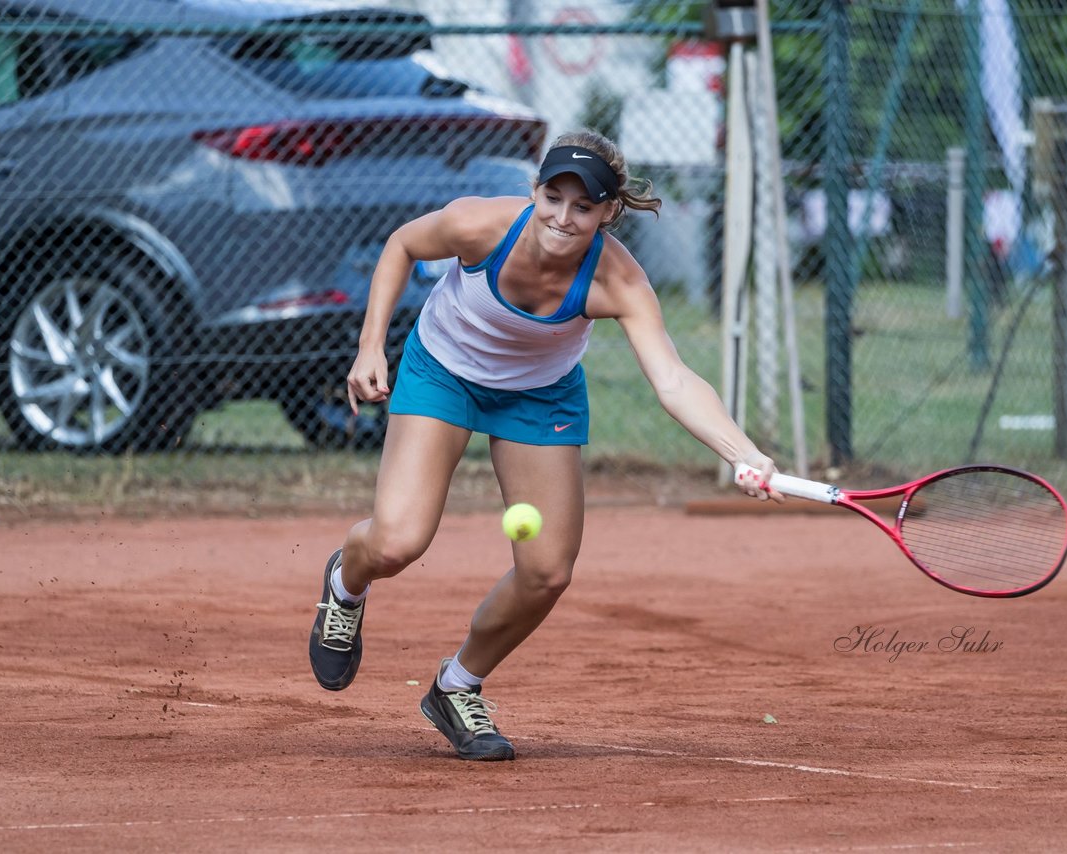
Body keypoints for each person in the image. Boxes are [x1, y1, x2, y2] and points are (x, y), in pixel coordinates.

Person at [308, 129, 784, 762]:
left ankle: (457, 686)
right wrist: (371, 345)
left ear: (608, 212)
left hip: (539, 396)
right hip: (443, 371)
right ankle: (347, 579)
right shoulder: (481, 225)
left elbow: (671, 378)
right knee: (397, 542)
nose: (563, 216)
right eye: (552, 197)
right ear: (534, 191)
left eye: (583, 206)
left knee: (547, 571)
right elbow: (402, 245)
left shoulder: (619, 281)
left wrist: (741, 452)